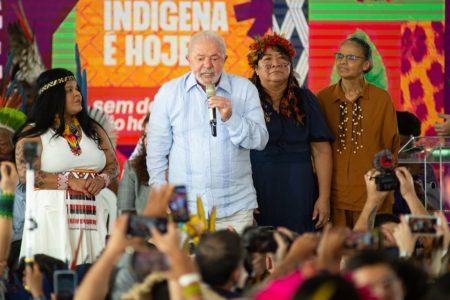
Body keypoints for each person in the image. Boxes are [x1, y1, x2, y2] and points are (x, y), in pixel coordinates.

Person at [147, 31, 268, 233]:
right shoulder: (169, 93)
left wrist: (231, 118)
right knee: (186, 265)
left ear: (225, 59)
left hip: (236, 207)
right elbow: (157, 152)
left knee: (235, 265)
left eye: (214, 58)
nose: (207, 65)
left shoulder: (244, 89)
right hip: (183, 208)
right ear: (188, 60)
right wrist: (162, 197)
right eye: (200, 58)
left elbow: (260, 140)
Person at [14, 68, 119, 266]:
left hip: (90, 219)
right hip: (51, 223)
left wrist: (101, 180)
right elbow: (27, 175)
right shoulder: (33, 133)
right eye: (69, 90)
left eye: (76, 89)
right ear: (52, 96)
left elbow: (113, 165)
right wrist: (71, 182)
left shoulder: (93, 129)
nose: (77, 94)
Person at [247, 33, 333, 233]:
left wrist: (324, 198)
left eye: (282, 58)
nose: (275, 63)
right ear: (256, 69)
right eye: (267, 59)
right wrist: (241, 199)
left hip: (300, 189)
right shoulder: (244, 101)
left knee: (301, 249)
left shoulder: (306, 99)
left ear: (290, 66)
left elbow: (322, 151)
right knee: (263, 250)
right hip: (258, 188)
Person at [316, 37, 400, 228]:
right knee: (339, 254)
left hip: (372, 195)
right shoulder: (323, 98)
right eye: (340, 56)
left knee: (370, 255)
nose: (343, 62)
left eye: (351, 57)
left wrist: (383, 187)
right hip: (335, 197)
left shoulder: (381, 99)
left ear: (367, 64)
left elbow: (391, 147)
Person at [118, 114, 150, 213]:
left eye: (154, 135)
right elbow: (124, 215)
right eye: (146, 135)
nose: (148, 141)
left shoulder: (182, 170)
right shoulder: (132, 169)